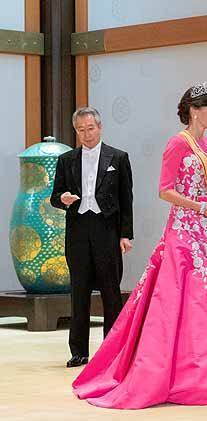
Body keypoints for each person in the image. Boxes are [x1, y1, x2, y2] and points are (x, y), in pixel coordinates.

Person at [72, 81, 207, 409]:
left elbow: (203, 187)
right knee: (186, 298)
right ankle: (187, 371)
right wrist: (198, 207)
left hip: (206, 230)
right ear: (194, 111)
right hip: (183, 232)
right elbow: (165, 190)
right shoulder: (177, 144)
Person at [50, 107, 134, 368]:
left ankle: (112, 350)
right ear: (76, 132)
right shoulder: (66, 160)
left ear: (100, 127)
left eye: (90, 128)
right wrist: (62, 200)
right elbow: (55, 196)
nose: (86, 134)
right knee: (79, 291)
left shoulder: (118, 158)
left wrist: (125, 235)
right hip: (77, 229)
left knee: (111, 292)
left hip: (106, 229)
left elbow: (126, 200)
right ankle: (79, 351)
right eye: (81, 130)